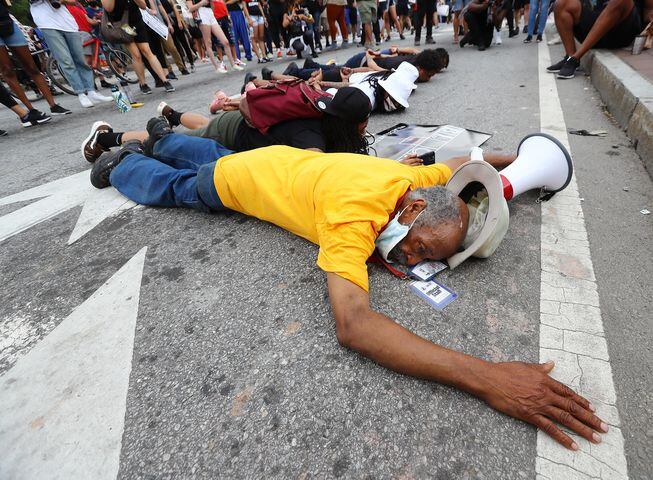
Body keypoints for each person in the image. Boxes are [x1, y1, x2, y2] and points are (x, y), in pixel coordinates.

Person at [88, 119, 609, 455]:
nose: (409, 259)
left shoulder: (411, 182)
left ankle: (161, 136)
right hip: (233, 186)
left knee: (199, 150)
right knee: (179, 185)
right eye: (422, 249)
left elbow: (459, 167)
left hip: (275, 161)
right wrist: (487, 377)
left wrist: (508, 170)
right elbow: (354, 326)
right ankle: (120, 163)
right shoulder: (353, 219)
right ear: (414, 211)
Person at [82, 86, 377, 162]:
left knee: (203, 126)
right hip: (235, 131)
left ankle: (173, 113)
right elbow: (321, 172)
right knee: (171, 140)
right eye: (364, 121)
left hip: (248, 123)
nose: (366, 127)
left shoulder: (323, 112)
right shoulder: (311, 139)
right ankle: (106, 138)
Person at [29, 0, 113, 107]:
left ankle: (91, 91)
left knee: (81, 59)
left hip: (68, 24)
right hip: (47, 24)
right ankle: (81, 93)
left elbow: (73, 2)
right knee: (66, 61)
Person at [548, 0, 652, 79]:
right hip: (592, 25)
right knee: (561, 3)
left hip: (621, 32)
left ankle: (575, 59)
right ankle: (569, 56)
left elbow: (649, 11)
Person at [0, 9, 71, 117]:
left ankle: (53, 106)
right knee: (7, 70)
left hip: (6, 20)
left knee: (31, 66)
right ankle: (30, 111)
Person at [101, 0, 176, 93]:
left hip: (137, 21)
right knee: (136, 54)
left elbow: (143, 6)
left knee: (147, 51)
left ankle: (164, 80)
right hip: (124, 24)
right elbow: (108, 8)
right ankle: (143, 83)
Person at [186, 0, 243, 72]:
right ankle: (217, 67)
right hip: (201, 13)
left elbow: (212, 4)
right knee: (208, 42)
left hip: (210, 13)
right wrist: (201, 3)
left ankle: (233, 64)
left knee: (225, 42)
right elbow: (190, 8)